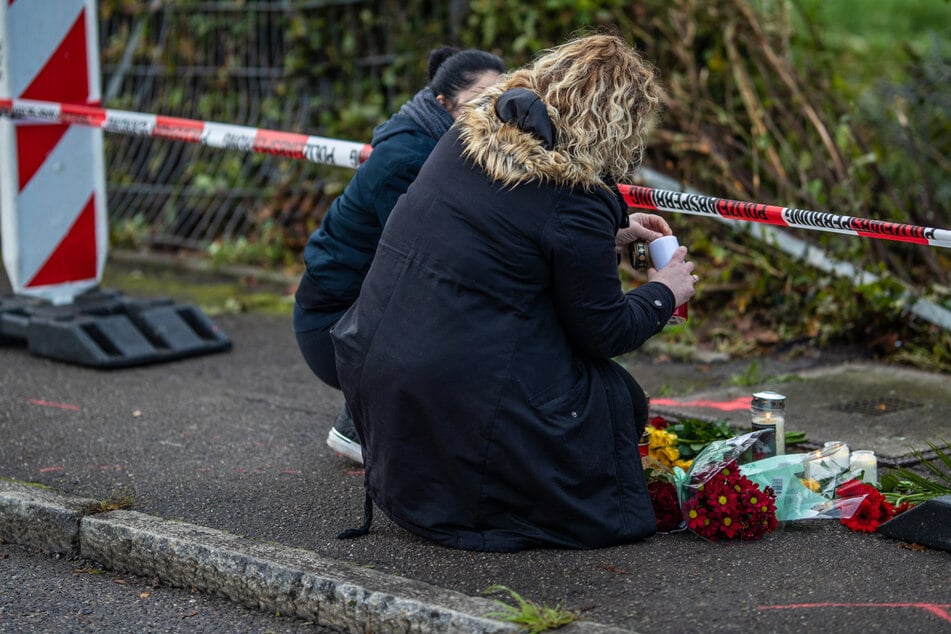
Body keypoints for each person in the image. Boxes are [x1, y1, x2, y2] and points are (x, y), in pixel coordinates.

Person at [332, 33, 698, 551]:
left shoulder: (461, 141)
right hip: (458, 394)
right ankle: (480, 503)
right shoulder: (575, 198)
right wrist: (664, 291)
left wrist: (609, 236)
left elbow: (513, 235)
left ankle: (438, 492)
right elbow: (604, 330)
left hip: (380, 372)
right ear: (618, 124)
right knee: (615, 397)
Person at [293, 47, 505, 464]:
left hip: (363, 311)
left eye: (502, 100)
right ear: (444, 104)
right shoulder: (409, 159)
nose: (495, 113)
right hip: (332, 326)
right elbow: (425, 264)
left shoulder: (447, 145)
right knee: (467, 307)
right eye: (481, 101)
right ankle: (358, 426)